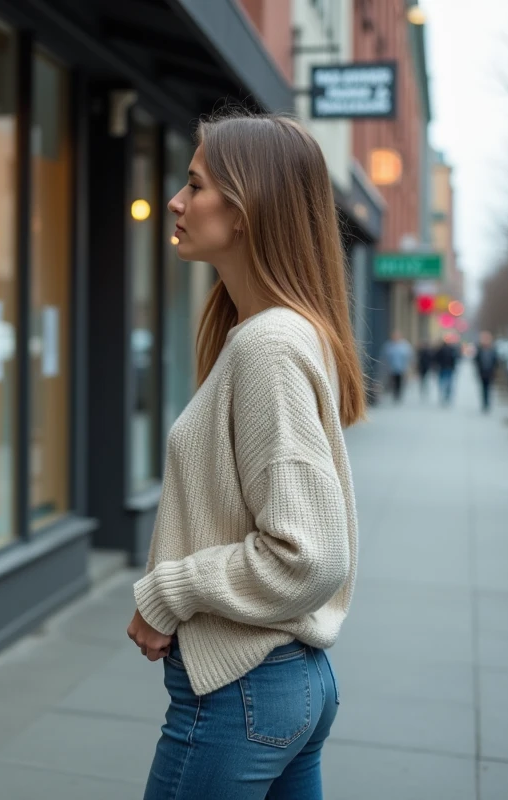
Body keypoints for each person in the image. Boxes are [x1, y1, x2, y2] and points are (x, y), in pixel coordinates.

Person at [127, 112, 362, 800]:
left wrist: (166, 593)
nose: (175, 200)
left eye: (195, 185)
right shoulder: (272, 334)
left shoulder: (268, 346)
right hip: (284, 684)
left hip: (243, 693)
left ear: (247, 210)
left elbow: (307, 554)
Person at [382, 330, 413, 403]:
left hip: (401, 368)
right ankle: (394, 394)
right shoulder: (389, 345)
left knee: (400, 382)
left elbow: (409, 357)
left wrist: (409, 368)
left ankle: (398, 395)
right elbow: (384, 356)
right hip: (391, 368)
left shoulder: (405, 345)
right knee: (393, 382)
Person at [475, 331, 498, 411]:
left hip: (490, 372)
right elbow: (476, 361)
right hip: (482, 373)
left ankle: (487, 403)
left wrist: (494, 371)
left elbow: (496, 361)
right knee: (483, 388)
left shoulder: (493, 350)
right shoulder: (480, 350)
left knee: (488, 388)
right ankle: (484, 403)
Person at [434, 335, 458, 406]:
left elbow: (454, 359)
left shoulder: (451, 349)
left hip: (448, 368)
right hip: (443, 368)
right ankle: (444, 394)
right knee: (444, 382)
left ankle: (446, 395)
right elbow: (436, 358)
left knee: (447, 382)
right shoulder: (442, 349)